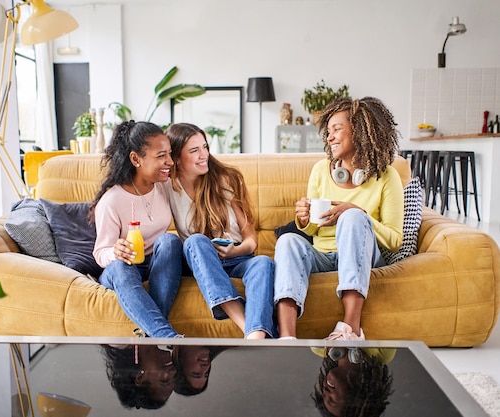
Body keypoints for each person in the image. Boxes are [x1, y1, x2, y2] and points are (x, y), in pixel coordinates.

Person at [274, 97, 403, 340]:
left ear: (360, 131)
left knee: (353, 217)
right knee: (288, 241)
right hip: (322, 255)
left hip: (362, 255)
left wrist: (359, 213)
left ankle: (350, 329)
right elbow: (313, 230)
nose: (329, 137)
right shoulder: (321, 170)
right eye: (328, 131)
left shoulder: (387, 177)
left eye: (337, 129)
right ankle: (287, 337)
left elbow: (395, 240)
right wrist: (303, 220)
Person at [165, 122, 275, 339]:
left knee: (264, 263)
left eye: (205, 147)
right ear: (176, 157)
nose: (203, 155)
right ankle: (247, 327)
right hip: (201, 261)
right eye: (194, 150)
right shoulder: (167, 187)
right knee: (195, 241)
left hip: (237, 258)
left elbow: (251, 239)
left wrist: (236, 251)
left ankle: (258, 337)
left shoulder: (226, 179)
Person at [89, 120, 183, 338]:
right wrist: (115, 251)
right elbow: (100, 253)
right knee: (120, 267)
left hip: (156, 265)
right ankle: (166, 337)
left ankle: (151, 331)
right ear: (135, 159)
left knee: (170, 242)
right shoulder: (112, 201)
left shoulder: (164, 186)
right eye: (161, 156)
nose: (169, 161)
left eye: (169, 154)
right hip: (125, 268)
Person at [311, 346, 395, 417]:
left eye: (324, 396)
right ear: (356, 398)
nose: (325, 392)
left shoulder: (319, 347)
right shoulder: (382, 353)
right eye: (332, 401)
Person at [101, 344, 177, 409]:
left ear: (140, 377)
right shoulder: (148, 338)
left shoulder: (119, 339)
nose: (173, 372)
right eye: (174, 378)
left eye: (164, 380)